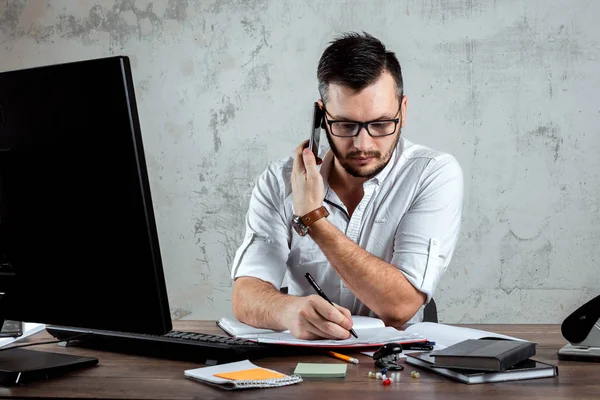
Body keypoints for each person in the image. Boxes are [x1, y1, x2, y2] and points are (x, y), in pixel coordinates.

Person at [230, 31, 464, 340]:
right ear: (322, 117)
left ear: (403, 111)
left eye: (381, 124)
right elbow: (245, 294)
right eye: (345, 125)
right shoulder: (278, 181)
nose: (363, 143)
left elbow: (400, 306)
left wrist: (314, 217)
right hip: (305, 361)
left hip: (400, 365)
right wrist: (288, 310)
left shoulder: (432, 174)